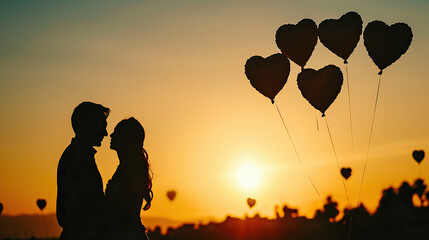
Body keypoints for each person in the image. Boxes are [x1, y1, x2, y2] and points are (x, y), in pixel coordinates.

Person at [56, 102, 110, 240]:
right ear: (89, 126)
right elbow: (68, 213)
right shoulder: (76, 159)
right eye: (102, 127)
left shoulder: (80, 156)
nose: (105, 133)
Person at [105, 117, 153, 240]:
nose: (111, 135)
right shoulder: (126, 167)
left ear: (126, 139)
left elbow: (123, 211)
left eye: (116, 132)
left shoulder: (129, 170)